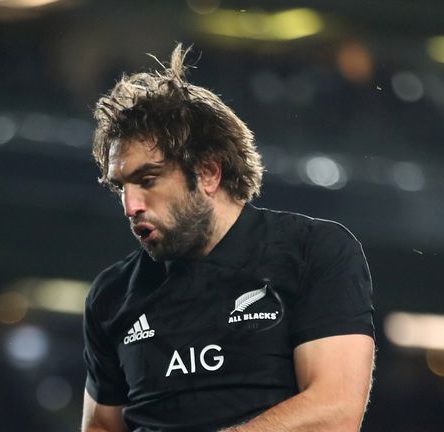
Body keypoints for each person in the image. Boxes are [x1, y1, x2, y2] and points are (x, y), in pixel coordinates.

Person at [82, 44, 375, 432]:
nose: (130, 206)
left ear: (208, 173)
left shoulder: (314, 251)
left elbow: (335, 411)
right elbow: (101, 425)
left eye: (147, 180)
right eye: (121, 188)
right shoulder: (112, 294)